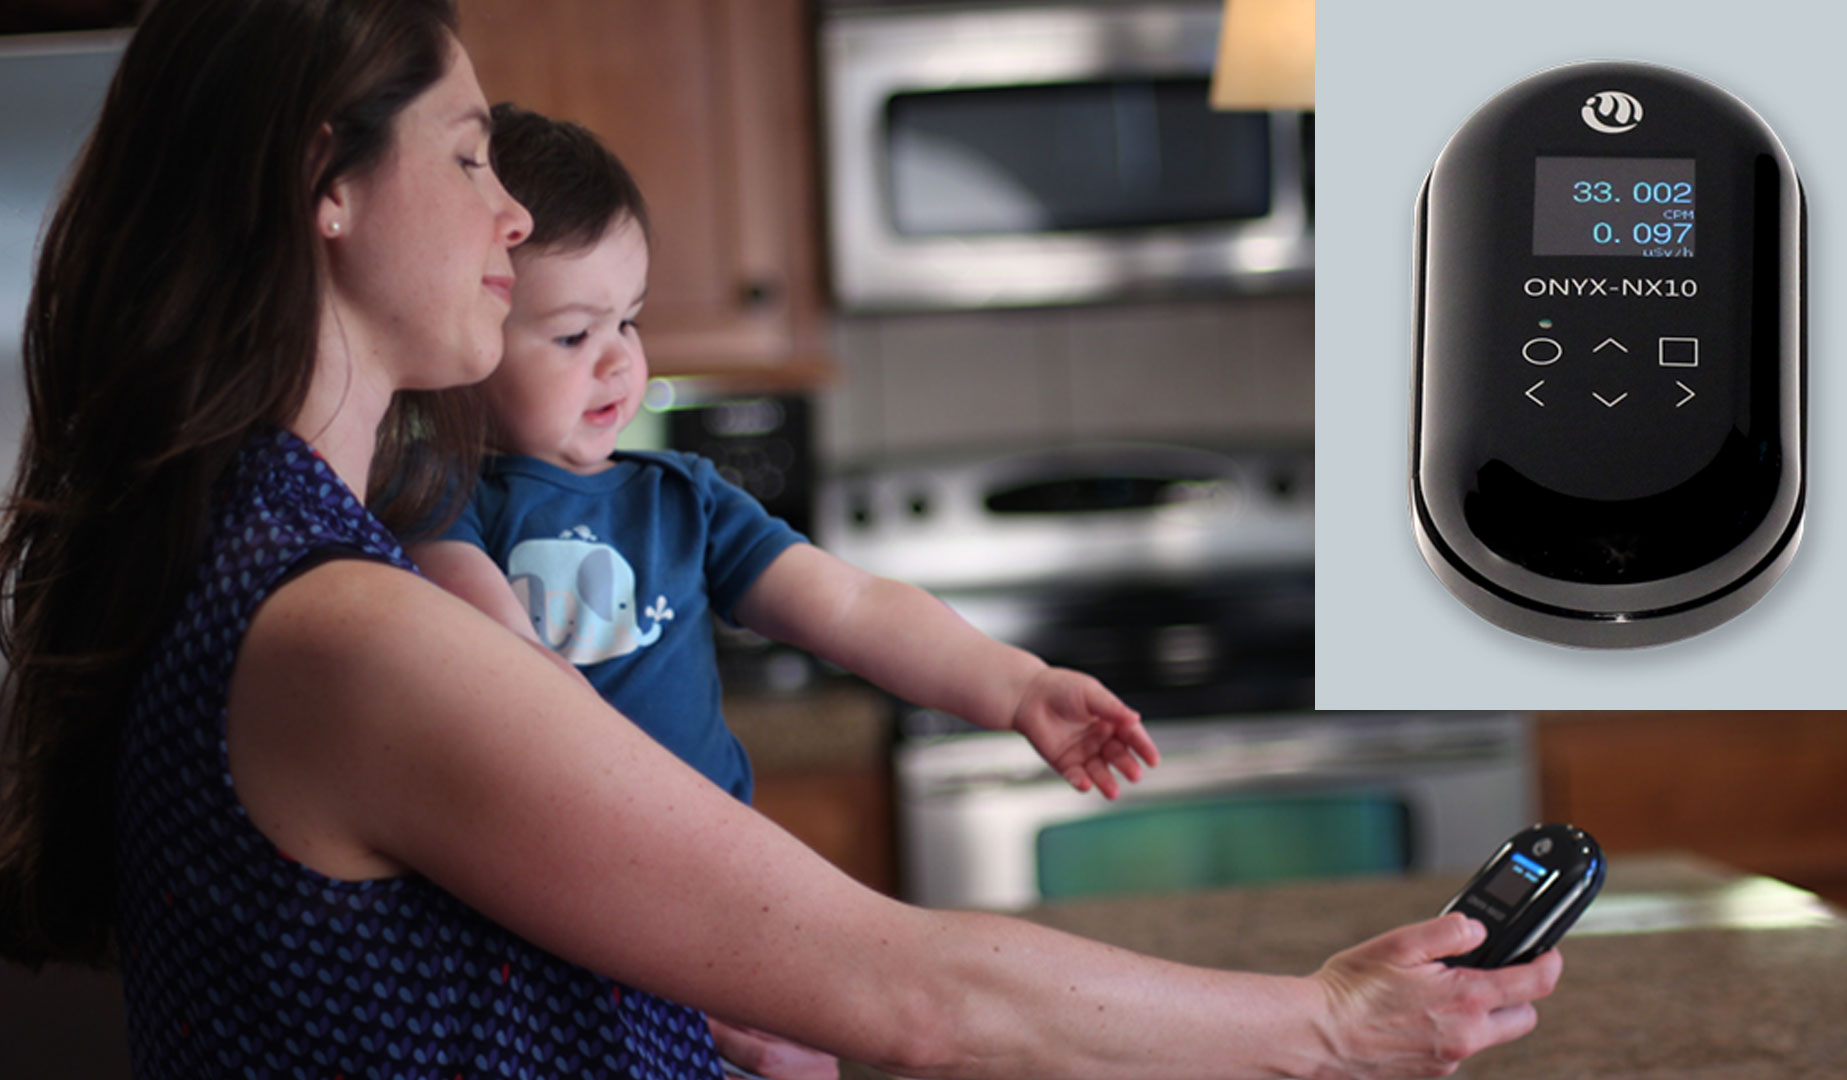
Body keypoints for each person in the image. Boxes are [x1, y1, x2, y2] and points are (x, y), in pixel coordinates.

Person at [0, 1, 1562, 1077]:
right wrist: (1327, 1027)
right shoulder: (355, 630)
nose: (511, 220)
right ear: (321, 189)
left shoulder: (281, 561)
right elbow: (914, 997)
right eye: (471, 156)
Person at [410, 103, 1157, 814]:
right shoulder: (435, 504)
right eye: (574, 335)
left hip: (707, 868)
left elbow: (854, 606)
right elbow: (509, 677)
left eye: (629, 322)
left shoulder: (682, 501)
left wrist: (1020, 688)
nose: (618, 363)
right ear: (468, 331)